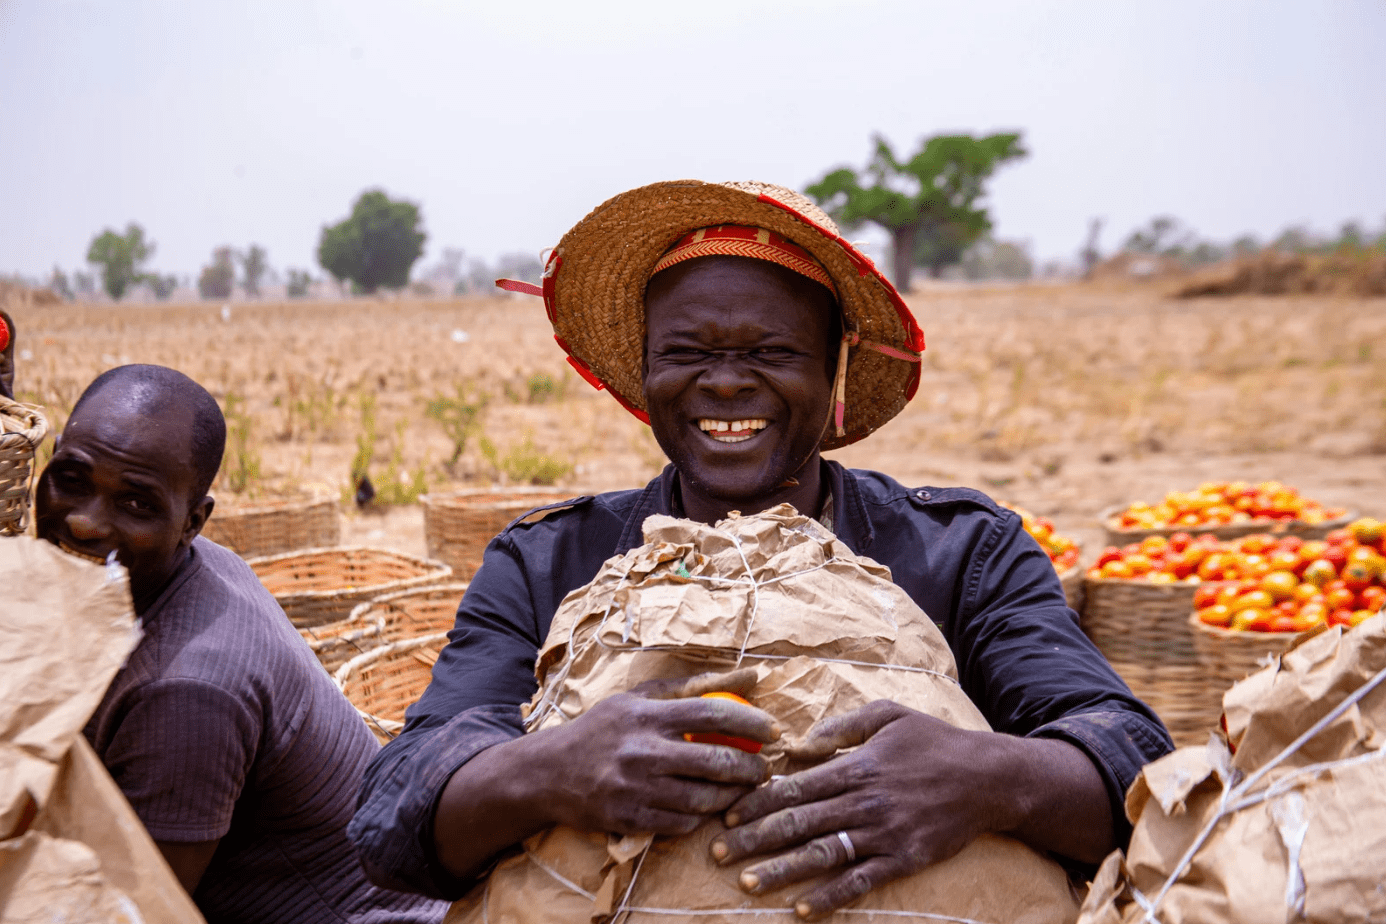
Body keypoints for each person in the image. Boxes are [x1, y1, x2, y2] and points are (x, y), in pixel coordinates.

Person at [350, 181, 1174, 918]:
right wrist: (552, 768)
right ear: (642, 371)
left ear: (834, 368)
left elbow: (1135, 766)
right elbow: (394, 816)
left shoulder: (961, 551)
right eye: (687, 353)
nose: (727, 383)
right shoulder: (548, 561)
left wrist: (988, 780)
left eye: (772, 353)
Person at [35, 364, 447, 924]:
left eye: (136, 505)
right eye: (72, 478)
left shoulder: (186, 689)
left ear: (193, 522)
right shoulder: (171, 577)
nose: (84, 522)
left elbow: (135, 912)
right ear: (49, 459)